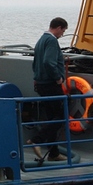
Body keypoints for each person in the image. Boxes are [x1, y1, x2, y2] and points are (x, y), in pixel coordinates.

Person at [30, 17, 68, 162]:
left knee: (52, 117)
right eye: (63, 31)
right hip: (51, 84)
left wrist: (36, 76)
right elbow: (48, 62)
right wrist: (58, 77)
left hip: (40, 83)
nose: (62, 35)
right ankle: (37, 140)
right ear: (58, 28)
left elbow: (36, 62)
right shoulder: (52, 41)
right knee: (62, 114)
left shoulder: (41, 39)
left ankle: (53, 153)